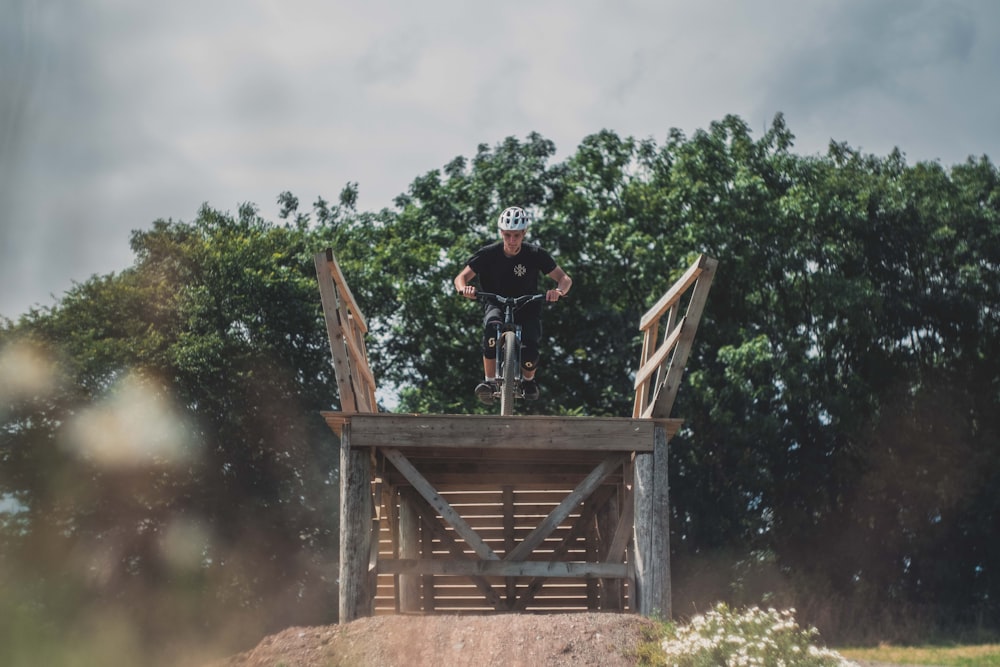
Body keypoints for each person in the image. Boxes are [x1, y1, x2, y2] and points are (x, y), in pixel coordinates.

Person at [454, 206, 572, 404]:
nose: (511, 241)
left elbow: (564, 278)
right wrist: (464, 289)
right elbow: (461, 277)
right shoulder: (487, 254)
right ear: (501, 232)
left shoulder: (534, 254)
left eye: (516, 235)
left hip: (527, 304)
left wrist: (558, 292)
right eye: (507, 235)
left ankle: (528, 381)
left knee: (530, 349)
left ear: (524, 233)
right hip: (496, 302)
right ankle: (489, 382)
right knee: (492, 329)